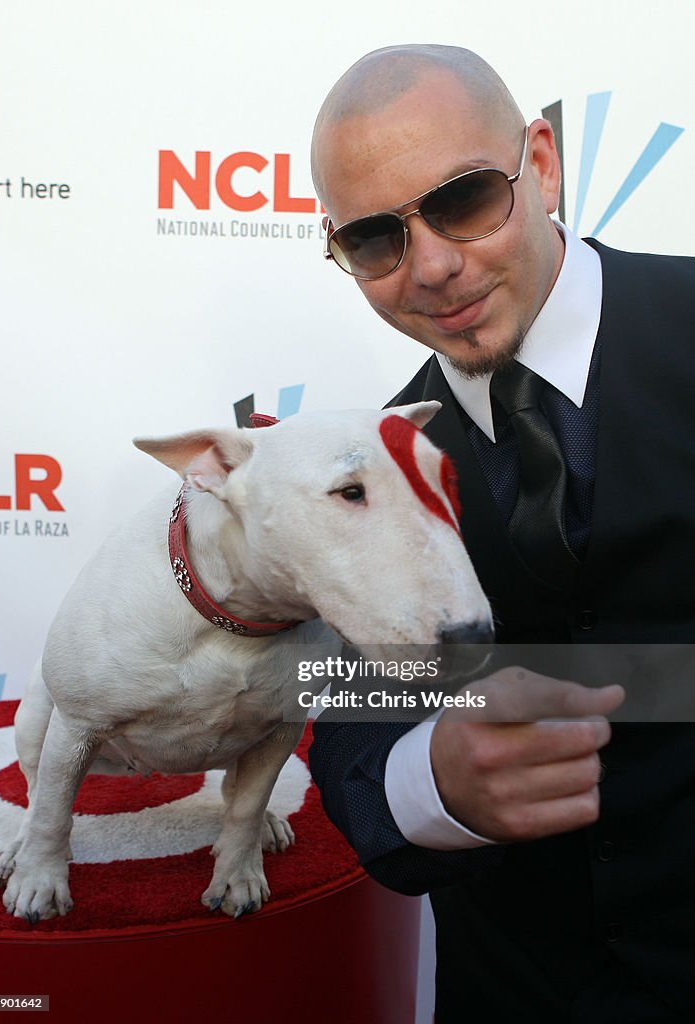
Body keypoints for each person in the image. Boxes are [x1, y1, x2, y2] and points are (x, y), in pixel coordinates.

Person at [308, 44, 695, 1022]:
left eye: (465, 199)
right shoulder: (367, 474)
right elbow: (353, 740)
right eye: (374, 239)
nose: (431, 265)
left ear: (544, 161)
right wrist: (428, 778)